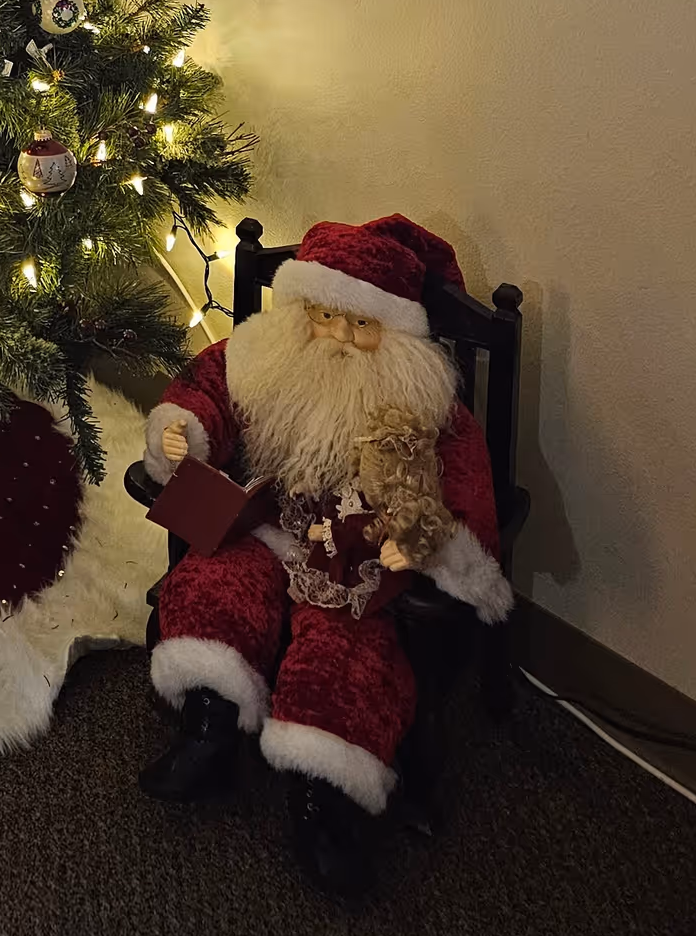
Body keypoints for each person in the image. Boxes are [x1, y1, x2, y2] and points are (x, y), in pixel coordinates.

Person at [137, 214, 512, 897]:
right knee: (211, 585)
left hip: (359, 559)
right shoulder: (261, 356)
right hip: (271, 523)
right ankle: (209, 730)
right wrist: (183, 430)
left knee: (345, 659)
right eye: (324, 317)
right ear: (302, 309)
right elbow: (208, 386)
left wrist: (430, 541)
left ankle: (322, 805)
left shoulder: (427, 403)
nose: (338, 338)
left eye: (360, 326)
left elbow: (467, 487)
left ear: (394, 333)